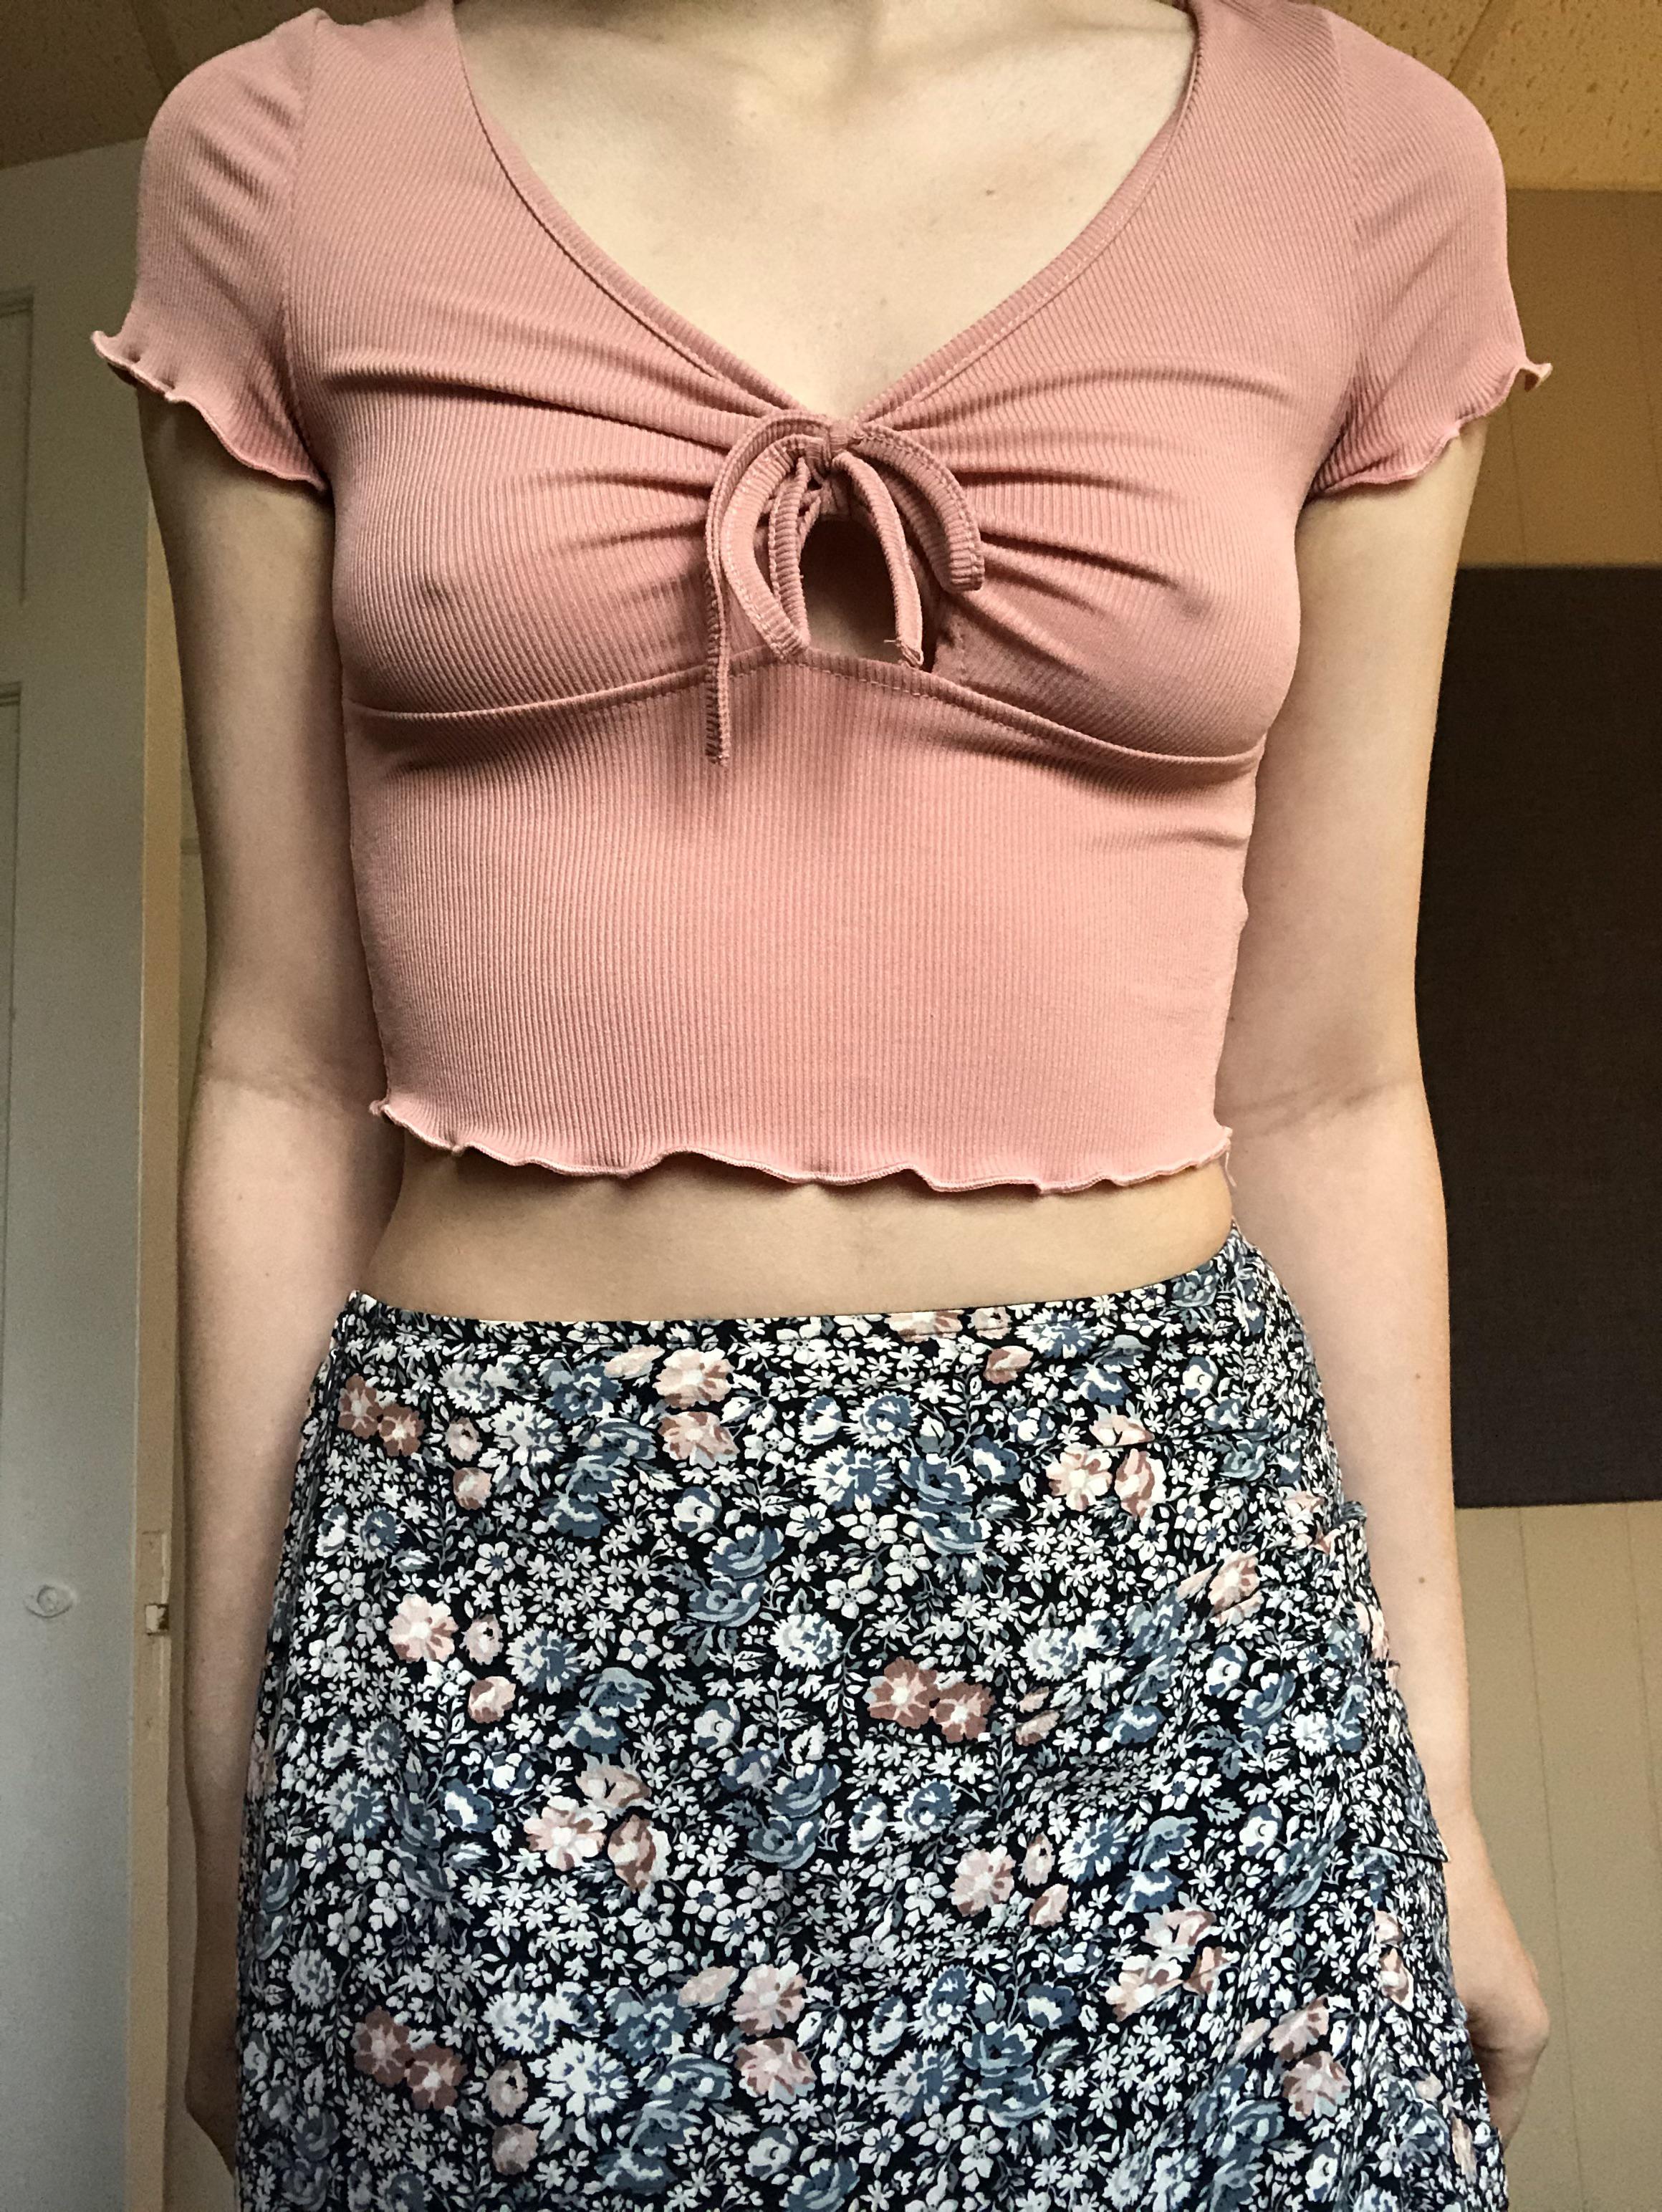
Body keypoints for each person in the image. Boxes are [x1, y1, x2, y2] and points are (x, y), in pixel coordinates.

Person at [92, 0, 1555, 2201]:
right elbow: (284, 1073)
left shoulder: (1367, 163)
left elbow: (1331, 1086)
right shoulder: (285, 150)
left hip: (1155, 1606)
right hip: (498, 1616)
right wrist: (231, 1836)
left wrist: (1434, 1789)